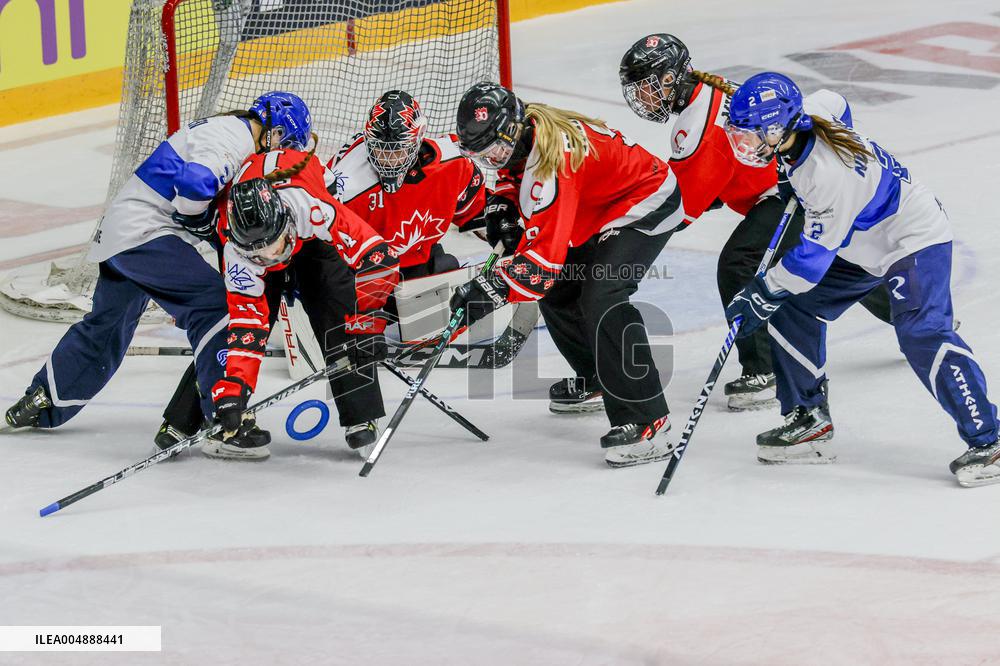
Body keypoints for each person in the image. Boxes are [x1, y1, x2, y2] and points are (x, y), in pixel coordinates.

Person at [722, 72, 999, 487]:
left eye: (752, 135)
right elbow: (836, 99)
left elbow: (808, 264)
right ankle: (808, 419)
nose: (744, 146)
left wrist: (762, 292)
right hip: (864, 241)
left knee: (922, 333)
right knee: (794, 309)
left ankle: (990, 439)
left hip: (911, 238)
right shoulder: (812, 115)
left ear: (779, 128)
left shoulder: (826, 177)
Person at [5, 92, 312, 453]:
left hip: (122, 235)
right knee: (219, 309)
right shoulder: (234, 138)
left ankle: (44, 400)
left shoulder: (227, 131)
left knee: (105, 329)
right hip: (146, 236)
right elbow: (195, 185)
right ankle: (224, 423)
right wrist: (199, 220)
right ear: (273, 134)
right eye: (284, 144)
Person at [618, 33, 891, 411]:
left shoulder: (695, 127)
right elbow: (720, 176)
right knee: (834, 262)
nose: (642, 98)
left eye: (646, 86)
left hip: (785, 192)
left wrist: (623, 232)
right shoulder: (705, 95)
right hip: (785, 185)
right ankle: (910, 308)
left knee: (739, 264)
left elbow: (679, 208)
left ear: (669, 80)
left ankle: (762, 370)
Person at [449, 82, 686, 468]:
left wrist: (488, 289)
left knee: (603, 297)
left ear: (512, 130)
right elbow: (515, 174)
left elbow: (540, 268)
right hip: (598, 207)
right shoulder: (524, 134)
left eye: (495, 149)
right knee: (560, 289)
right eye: (483, 154)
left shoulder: (554, 159)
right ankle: (597, 376)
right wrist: (504, 206)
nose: (491, 160)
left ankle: (647, 417)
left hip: (645, 202)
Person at [202, 146, 399, 460]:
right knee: (228, 324)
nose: (270, 256)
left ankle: (361, 414)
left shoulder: (311, 208)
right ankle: (207, 415)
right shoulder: (237, 251)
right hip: (267, 239)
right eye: (259, 253)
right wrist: (234, 386)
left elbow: (378, 257)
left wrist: (370, 326)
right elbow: (247, 325)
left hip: (310, 235)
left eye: (273, 246)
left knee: (337, 302)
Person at [327, 90, 494, 281]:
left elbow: (478, 214)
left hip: (418, 263)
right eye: (380, 149)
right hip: (363, 272)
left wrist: (502, 230)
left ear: (417, 140)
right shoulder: (346, 185)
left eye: (397, 151)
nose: (388, 160)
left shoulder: (454, 163)